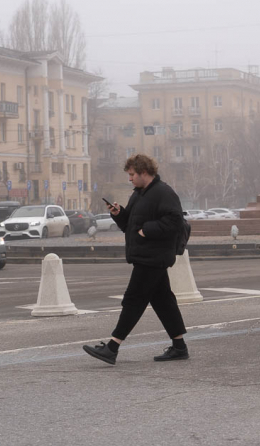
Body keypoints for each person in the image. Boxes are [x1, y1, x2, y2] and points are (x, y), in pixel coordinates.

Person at [83, 154, 189, 364]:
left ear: (144, 172)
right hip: (145, 255)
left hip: (153, 256)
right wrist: (119, 214)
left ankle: (112, 347)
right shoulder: (138, 195)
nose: (129, 179)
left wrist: (147, 231)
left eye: (132, 174)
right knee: (163, 301)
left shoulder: (163, 192)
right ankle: (179, 347)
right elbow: (130, 226)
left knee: (133, 299)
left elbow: (175, 221)